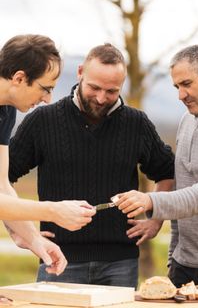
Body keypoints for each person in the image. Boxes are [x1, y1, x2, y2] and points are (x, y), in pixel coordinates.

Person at [9, 43, 175, 288]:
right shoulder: (42, 120)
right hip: (58, 259)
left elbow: (167, 171)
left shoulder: (136, 124)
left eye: (111, 91)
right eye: (94, 87)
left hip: (121, 264)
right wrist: (20, 232)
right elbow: (3, 176)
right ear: (80, 73)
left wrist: (156, 218)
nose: (101, 98)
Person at [114, 45, 198, 296]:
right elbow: (182, 184)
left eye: (186, 84)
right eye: (177, 87)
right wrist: (173, 258)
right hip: (183, 267)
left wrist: (150, 201)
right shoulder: (187, 120)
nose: (181, 95)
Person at [0, 34, 95, 275]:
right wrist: (52, 210)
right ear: (19, 78)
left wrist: (33, 239)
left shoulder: (6, 110)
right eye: (45, 88)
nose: (48, 99)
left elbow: (2, 185)